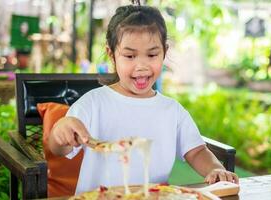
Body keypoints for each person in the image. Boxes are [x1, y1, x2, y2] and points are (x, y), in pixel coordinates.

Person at [48, 4, 239, 194]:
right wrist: (60, 133)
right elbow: (59, 149)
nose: (141, 66)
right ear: (111, 54)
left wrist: (214, 168)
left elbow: (196, 151)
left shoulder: (171, 110)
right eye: (130, 56)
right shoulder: (92, 104)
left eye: (152, 54)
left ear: (164, 51)